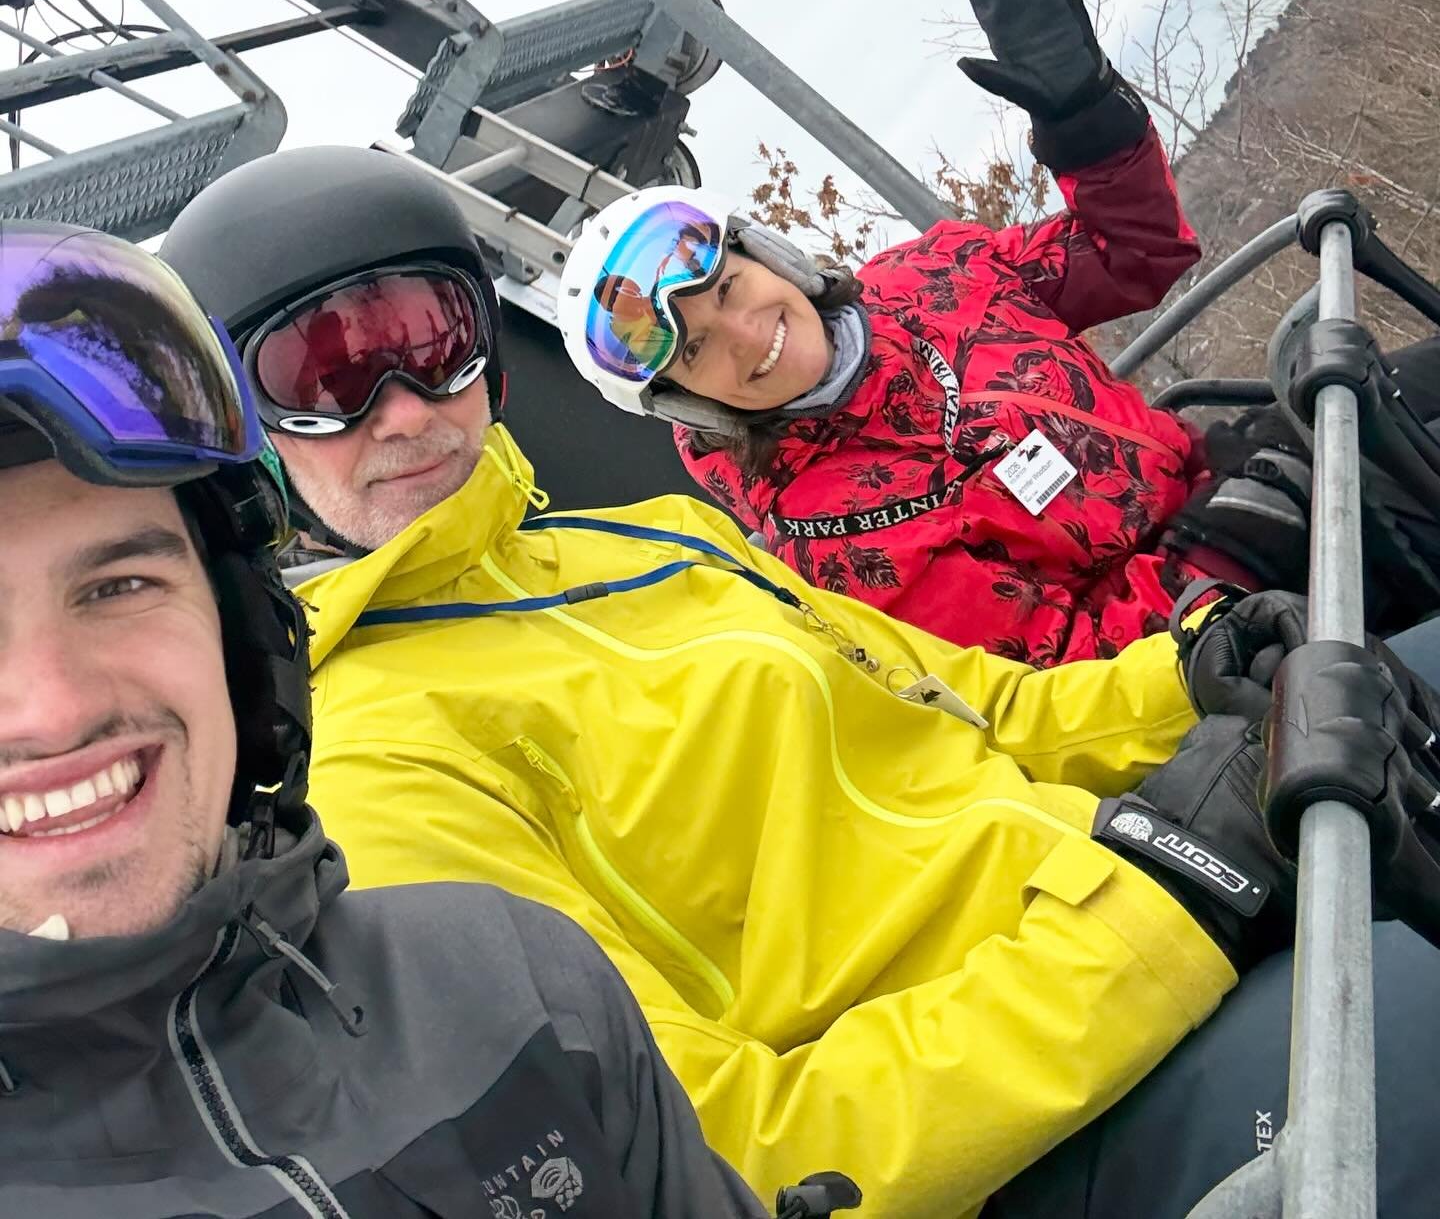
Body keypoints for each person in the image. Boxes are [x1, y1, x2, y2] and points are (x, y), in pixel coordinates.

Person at [160, 145, 1440, 1215]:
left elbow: (981, 707)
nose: (401, 408)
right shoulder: (379, 761)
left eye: (427, 339)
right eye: (323, 377)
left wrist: (1195, 673)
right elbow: (707, 1148)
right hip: (1045, 1116)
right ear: (247, 440)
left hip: (1126, 894)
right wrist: (1166, 903)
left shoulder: (655, 543)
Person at [0, 220, 784, 1218]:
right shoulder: (395, 770)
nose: (55, 704)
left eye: (119, 586)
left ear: (241, 634)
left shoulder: (505, 975)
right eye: (331, 379)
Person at [558, 0, 1215, 664]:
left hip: (1228, 488)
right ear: (688, 404)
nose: (745, 333)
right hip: (1217, 648)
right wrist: (1217, 559)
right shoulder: (837, 550)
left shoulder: (934, 274)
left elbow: (1134, 251)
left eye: (728, 288)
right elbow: (1062, 671)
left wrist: (1086, 121)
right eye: (696, 350)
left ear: (767, 255)